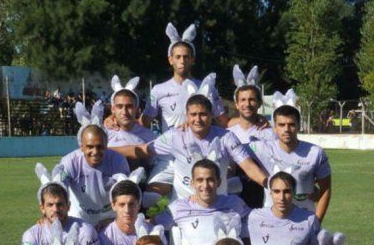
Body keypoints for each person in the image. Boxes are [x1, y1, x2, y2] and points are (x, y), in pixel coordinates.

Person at [113, 83, 268, 201]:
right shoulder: (175, 136)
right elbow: (143, 150)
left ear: (211, 114)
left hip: (218, 206)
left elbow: (249, 167)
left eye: (203, 114)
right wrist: (108, 150)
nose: (198, 119)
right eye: (193, 115)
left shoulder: (226, 137)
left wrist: (270, 184)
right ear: (187, 115)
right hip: (184, 208)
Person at [135, 22, 228, 197]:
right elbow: (143, 122)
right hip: (169, 155)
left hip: (201, 154)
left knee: (203, 196)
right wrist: (115, 121)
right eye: (177, 57)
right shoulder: (159, 90)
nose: (182, 61)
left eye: (186, 57)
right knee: (148, 198)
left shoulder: (207, 88)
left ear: (193, 59)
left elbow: (224, 121)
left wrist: (255, 120)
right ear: (170, 59)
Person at [154, 159, 252, 245]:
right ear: (192, 183)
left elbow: (257, 223)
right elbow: (153, 229)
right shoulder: (178, 207)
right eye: (200, 180)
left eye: (210, 179)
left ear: (219, 182)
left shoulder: (234, 204)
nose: (205, 185)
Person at [22, 165, 103, 245]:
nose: (55, 209)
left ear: (68, 206)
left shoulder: (85, 230)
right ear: (42, 208)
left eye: (60, 204)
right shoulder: (31, 235)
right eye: (50, 205)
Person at [250, 91, 332, 221]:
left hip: (305, 220)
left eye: (292, 124)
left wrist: (316, 222)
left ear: (299, 126)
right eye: (281, 125)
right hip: (272, 221)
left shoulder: (315, 153)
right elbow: (233, 148)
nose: (286, 129)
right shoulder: (261, 148)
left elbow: (325, 190)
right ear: (274, 127)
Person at [61, 101, 130, 226]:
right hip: (79, 218)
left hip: (111, 218)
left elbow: (126, 197)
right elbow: (58, 191)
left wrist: (114, 221)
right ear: (81, 147)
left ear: (106, 145)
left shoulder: (118, 161)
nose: (95, 152)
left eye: (100, 146)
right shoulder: (69, 161)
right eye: (89, 147)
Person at [99, 178, 177, 245]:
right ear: (113, 206)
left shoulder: (154, 232)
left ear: (139, 205)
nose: (127, 210)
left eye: (131, 204)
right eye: (122, 205)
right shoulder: (104, 237)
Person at [227, 64, 276, 208]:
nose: (247, 104)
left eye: (252, 100)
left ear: (259, 103)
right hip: (233, 191)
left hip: (263, 190)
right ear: (236, 104)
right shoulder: (228, 132)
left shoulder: (270, 133)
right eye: (242, 100)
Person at [105, 75, 156, 171]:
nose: (124, 112)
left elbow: (153, 167)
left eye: (129, 106)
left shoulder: (149, 136)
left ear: (137, 110)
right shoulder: (104, 134)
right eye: (120, 106)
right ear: (113, 109)